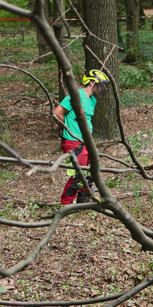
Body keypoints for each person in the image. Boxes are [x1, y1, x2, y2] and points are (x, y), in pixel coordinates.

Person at [52, 69, 110, 205]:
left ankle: (84, 200)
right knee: (78, 174)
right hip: (73, 142)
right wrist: (67, 129)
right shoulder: (76, 95)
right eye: (101, 84)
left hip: (86, 141)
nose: (103, 88)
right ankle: (65, 204)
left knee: (89, 171)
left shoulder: (93, 100)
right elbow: (57, 113)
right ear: (92, 82)